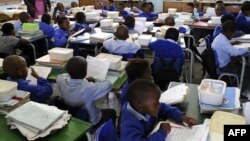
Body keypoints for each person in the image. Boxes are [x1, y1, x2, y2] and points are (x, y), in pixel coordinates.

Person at [120, 79, 197, 141]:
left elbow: (164, 108)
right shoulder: (129, 126)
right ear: (140, 105)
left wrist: (181, 117)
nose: (159, 105)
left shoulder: (145, 108)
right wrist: (162, 132)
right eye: (156, 103)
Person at [56, 56, 116, 128]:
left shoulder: (61, 81)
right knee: (112, 112)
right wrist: (95, 80)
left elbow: (60, 75)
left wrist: (72, 74)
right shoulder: (89, 88)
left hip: (71, 114)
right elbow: (108, 85)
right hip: (90, 119)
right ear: (85, 72)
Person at [212, 20, 250, 92]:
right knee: (247, 72)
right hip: (225, 67)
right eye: (234, 32)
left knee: (244, 65)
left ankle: (237, 85)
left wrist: (231, 43)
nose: (234, 35)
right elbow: (234, 52)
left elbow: (224, 46)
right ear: (229, 32)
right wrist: (247, 48)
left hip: (222, 64)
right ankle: (239, 93)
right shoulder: (223, 41)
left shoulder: (219, 37)